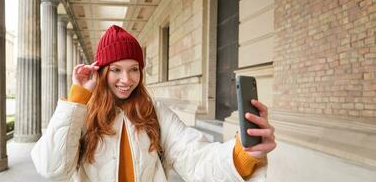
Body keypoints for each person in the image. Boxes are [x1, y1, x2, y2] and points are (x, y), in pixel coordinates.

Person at [31, 25, 276, 182]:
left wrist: (243, 153)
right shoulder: (81, 113)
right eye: (116, 69)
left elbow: (194, 155)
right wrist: (77, 98)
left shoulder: (154, 113)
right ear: (101, 72)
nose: (126, 80)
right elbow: (52, 168)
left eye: (134, 69)